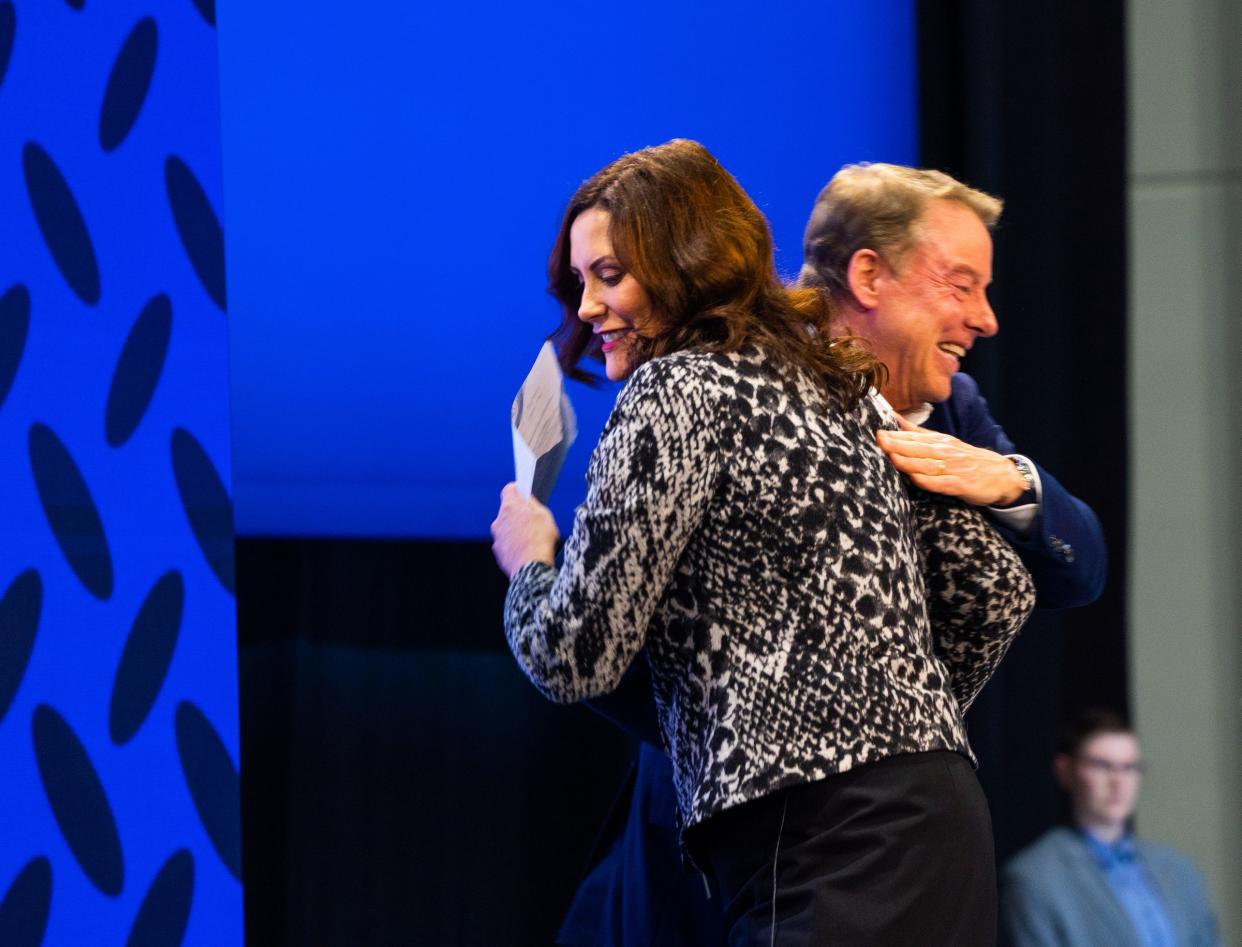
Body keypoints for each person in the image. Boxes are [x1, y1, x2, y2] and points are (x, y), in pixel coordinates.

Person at [491, 139, 1035, 946]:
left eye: (610, 276)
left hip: (815, 846)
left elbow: (576, 653)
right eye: (579, 284)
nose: (588, 309)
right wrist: (889, 727)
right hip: (943, 827)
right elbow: (996, 585)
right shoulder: (835, 384)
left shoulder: (678, 387)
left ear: (684, 262)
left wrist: (531, 558)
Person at [1000, 710, 1219, 946]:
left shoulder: (1180, 870)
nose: (1118, 781)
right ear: (1065, 771)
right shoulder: (1034, 879)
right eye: (1102, 765)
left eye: (1128, 767)